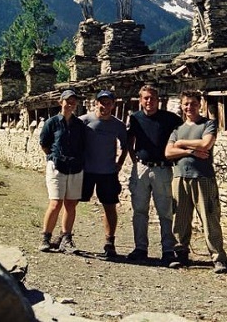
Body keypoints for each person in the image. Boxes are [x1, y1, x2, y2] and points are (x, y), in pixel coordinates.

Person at [165, 90, 227, 273]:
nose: (189, 107)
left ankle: (218, 258)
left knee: (210, 218)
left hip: (203, 177)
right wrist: (189, 151)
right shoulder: (177, 129)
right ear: (181, 105)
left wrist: (180, 143)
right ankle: (181, 254)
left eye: (193, 103)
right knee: (180, 219)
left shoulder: (208, 124)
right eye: (186, 104)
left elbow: (206, 144)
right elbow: (168, 153)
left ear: (199, 104)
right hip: (180, 177)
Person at [126, 84, 183, 267]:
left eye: (152, 98)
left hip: (162, 169)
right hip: (141, 168)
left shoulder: (170, 119)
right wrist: (132, 157)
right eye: (145, 98)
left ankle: (168, 250)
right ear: (141, 100)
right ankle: (140, 248)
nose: (149, 101)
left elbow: (183, 134)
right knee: (139, 210)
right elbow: (129, 140)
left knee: (165, 211)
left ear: (159, 100)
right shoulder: (135, 118)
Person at [80, 90, 129, 260]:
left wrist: (120, 163)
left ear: (113, 105)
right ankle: (66, 235)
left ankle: (110, 242)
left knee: (109, 206)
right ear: (96, 103)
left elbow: (126, 145)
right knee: (71, 202)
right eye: (102, 102)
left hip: (107, 172)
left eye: (108, 103)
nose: (105, 106)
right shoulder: (84, 121)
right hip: (86, 171)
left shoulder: (118, 125)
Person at [38, 89, 86, 254]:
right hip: (57, 167)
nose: (70, 104)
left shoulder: (80, 125)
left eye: (73, 101)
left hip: (75, 168)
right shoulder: (52, 123)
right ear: (61, 102)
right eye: (67, 101)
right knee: (55, 203)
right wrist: (54, 156)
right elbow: (44, 143)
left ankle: (66, 238)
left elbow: (83, 145)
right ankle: (46, 237)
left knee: (71, 204)